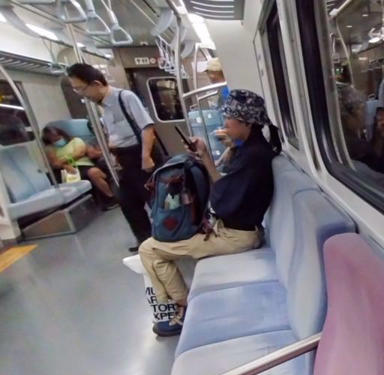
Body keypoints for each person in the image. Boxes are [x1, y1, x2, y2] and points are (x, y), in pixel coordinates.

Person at [139, 90, 280, 336]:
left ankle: (181, 309)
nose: (225, 123)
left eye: (229, 118)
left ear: (246, 122)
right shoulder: (251, 149)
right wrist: (209, 154)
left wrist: (206, 163)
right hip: (239, 229)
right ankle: (178, 304)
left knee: (149, 250)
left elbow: (222, 202)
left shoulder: (253, 157)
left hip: (236, 236)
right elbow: (226, 192)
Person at [66, 63, 162, 252]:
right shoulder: (102, 107)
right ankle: (146, 242)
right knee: (127, 201)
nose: (81, 94)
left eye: (81, 88)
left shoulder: (124, 97)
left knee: (155, 200)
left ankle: (170, 237)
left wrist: (145, 156)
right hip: (124, 158)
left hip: (141, 154)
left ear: (95, 84)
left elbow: (147, 127)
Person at [41, 126, 117, 209]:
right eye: (53, 140)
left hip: (84, 165)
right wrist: (65, 165)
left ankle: (111, 198)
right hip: (65, 170)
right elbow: (55, 164)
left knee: (93, 172)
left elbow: (80, 153)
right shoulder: (50, 148)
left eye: (57, 137)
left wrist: (63, 160)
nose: (56, 140)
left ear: (62, 134)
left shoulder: (76, 141)